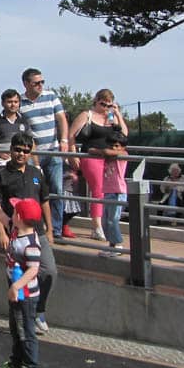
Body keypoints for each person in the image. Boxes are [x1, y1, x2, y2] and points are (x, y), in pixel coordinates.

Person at [0, 132, 57, 335]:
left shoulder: (36, 173)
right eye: (18, 150)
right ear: (11, 149)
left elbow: (45, 201)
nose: (21, 154)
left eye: (26, 151)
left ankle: (39, 311)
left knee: (49, 271)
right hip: (14, 234)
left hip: (38, 232)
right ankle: (19, 323)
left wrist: (50, 229)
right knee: (16, 277)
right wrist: (1, 233)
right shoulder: (1, 174)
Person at [0, 197, 43, 368]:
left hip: (26, 296)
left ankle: (31, 367)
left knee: (26, 331)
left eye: (14, 211)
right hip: (16, 294)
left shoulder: (31, 243)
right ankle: (16, 362)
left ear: (19, 217)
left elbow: (33, 269)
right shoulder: (16, 229)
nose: (10, 214)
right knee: (15, 328)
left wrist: (16, 285)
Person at [67, 89, 128, 241]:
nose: (105, 107)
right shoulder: (86, 115)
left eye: (109, 105)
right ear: (96, 101)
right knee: (98, 190)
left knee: (111, 190)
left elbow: (124, 135)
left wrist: (117, 114)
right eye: (103, 104)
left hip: (109, 158)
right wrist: (73, 153)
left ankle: (109, 223)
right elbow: (71, 135)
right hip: (91, 155)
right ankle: (97, 226)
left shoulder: (111, 117)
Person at [19, 68, 69, 240]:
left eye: (42, 82)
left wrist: (64, 140)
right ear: (26, 84)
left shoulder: (51, 96)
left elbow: (61, 118)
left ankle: (56, 229)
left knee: (56, 189)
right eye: (36, 83)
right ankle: (34, 227)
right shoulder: (21, 102)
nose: (40, 85)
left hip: (53, 149)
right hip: (33, 153)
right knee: (31, 190)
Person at [0, 89, 33, 169]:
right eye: (9, 102)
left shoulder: (24, 121)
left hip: (21, 160)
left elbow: (31, 141)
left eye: (16, 102)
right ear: (3, 103)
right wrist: (0, 153)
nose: (13, 105)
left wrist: (36, 163)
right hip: (0, 161)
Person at [98, 132, 128, 257]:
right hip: (108, 191)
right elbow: (95, 151)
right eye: (111, 145)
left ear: (122, 147)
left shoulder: (123, 154)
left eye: (116, 145)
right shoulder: (108, 156)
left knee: (113, 220)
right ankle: (111, 245)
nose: (113, 148)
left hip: (118, 191)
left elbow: (107, 152)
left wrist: (101, 151)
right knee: (105, 220)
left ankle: (118, 244)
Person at [61, 168, 81, 238]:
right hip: (66, 189)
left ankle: (64, 226)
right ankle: (64, 226)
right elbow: (59, 174)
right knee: (66, 211)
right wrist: (69, 175)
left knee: (75, 210)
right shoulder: (64, 161)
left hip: (74, 190)